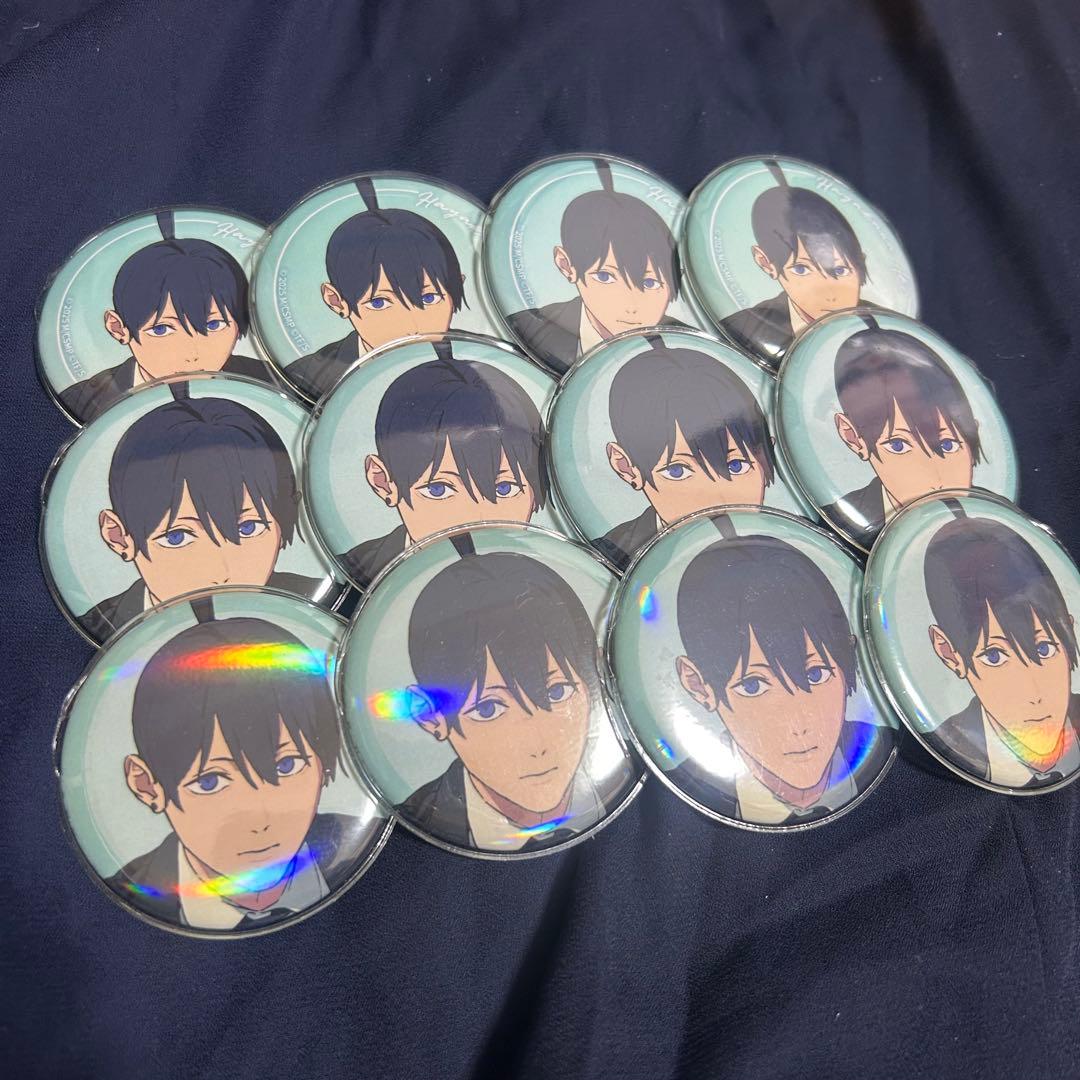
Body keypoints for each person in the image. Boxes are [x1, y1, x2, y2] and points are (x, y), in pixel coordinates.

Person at [108, 616, 362, 931]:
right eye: (210, 781)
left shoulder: (368, 855)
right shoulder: (118, 902)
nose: (260, 819)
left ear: (323, 759)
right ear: (146, 785)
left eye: (286, 765)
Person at [397, 551, 631, 852]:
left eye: (557, 692)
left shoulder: (651, 780)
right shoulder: (402, 838)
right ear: (429, 714)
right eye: (488, 709)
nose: (538, 745)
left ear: (596, 673)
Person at [671, 532, 889, 825]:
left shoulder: (891, 754)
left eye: (815, 674)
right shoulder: (680, 805)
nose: (798, 723)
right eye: (753, 685)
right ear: (697, 684)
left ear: (848, 656)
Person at [80, 396, 322, 641]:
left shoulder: (316, 611)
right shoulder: (101, 626)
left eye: (248, 528)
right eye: (177, 537)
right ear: (118, 537)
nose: (221, 574)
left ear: (287, 516)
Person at [338, 357, 547, 589]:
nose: (476, 521)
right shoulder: (344, 579)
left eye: (504, 488)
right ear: (383, 482)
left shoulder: (562, 573)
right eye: (438, 489)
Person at [925, 515, 1080, 787]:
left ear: (1068, 628)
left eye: (1044, 648)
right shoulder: (945, 749)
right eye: (994, 656)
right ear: (948, 652)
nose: (1034, 693)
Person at [594, 342, 775, 570]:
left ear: (766, 457)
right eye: (677, 470)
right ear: (626, 467)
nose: (716, 500)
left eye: (736, 466)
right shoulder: (603, 559)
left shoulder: (805, 542)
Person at [58, 235, 275, 424]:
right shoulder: (83, 399)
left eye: (213, 325)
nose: (192, 354)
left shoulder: (272, 382)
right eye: (161, 329)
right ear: (118, 328)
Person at [507, 161, 689, 375]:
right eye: (605, 277)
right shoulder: (525, 327)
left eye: (650, 283)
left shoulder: (692, 349)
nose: (631, 306)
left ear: (675, 279)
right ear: (566, 265)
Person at [287, 181, 466, 399]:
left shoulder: (484, 360)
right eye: (379, 303)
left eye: (429, 298)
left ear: (456, 287)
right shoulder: (305, 376)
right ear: (336, 301)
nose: (411, 327)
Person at [821, 325, 981, 548]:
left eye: (947, 445)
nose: (935, 479)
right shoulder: (830, 527)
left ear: (972, 433)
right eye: (898, 445)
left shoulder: (1001, 518)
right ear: (853, 437)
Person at [721, 160, 872, 360]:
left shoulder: (891, 330)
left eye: (840, 270)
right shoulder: (738, 330)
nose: (829, 294)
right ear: (765, 262)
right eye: (801, 269)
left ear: (860, 263)